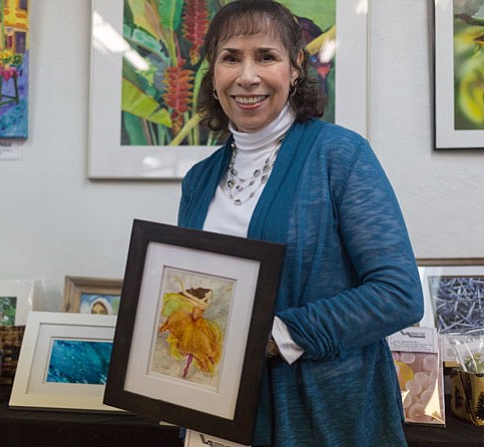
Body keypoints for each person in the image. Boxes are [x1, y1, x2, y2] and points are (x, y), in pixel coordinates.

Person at [177, 1, 424, 446]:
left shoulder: (341, 156)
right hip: (218, 414)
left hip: (322, 416)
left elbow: (398, 294)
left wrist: (274, 335)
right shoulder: (199, 180)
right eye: (231, 57)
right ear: (213, 75)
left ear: (295, 70)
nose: (247, 76)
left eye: (266, 57)